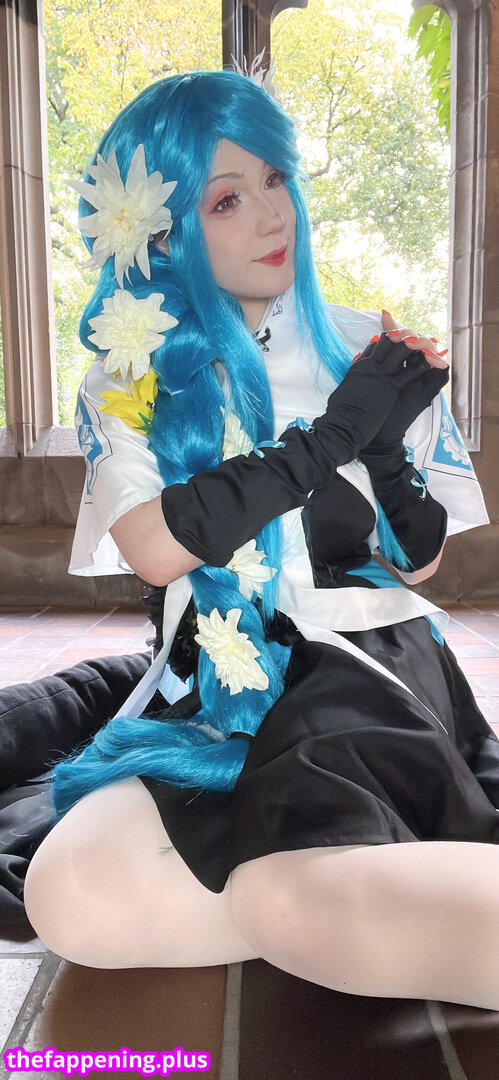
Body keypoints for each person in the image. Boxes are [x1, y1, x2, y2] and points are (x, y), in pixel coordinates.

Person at [22, 67, 499, 1011]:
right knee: (72, 899)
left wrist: (384, 446)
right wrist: (334, 435)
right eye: (227, 199)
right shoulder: (126, 375)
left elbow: (422, 564)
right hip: (213, 684)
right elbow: (158, 550)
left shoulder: (362, 344)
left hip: (357, 667)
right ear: (162, 232)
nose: (274, 215)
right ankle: (351, 896)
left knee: (291, 895)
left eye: (276, 179)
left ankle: (328, 896)